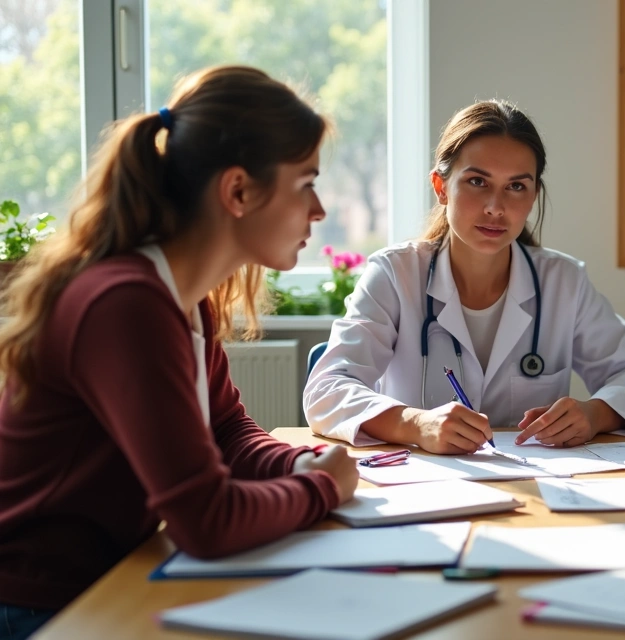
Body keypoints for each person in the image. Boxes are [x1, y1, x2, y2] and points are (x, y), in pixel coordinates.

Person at [0, 66, 359, 640]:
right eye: (305, 182)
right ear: (238, 190)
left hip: (111, 579)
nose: (317, 210)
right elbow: (206, 521)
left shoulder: (184, 299)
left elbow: (228, 431)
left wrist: (296, 464)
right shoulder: (125, 304)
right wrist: (323, 487)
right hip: (42, 608)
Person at [305, 100, 625, 452]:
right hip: (421, 488)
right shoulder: (394, 275)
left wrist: (593, 414)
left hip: (534, 488)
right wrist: (415, 423)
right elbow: (326, 389)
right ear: (441, 187)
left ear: (534, 195)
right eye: (478, 182)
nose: (496, 207)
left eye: (516, 186)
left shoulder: (563, 281)